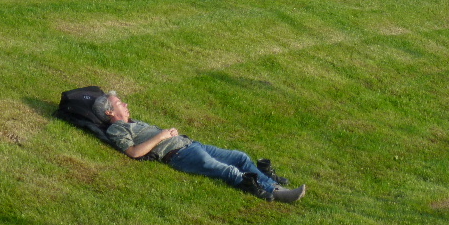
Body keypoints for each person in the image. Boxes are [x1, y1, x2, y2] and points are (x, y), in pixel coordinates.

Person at [92, 91, 305, 203]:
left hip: (191, 144)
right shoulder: (117, 129)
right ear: (110, 112)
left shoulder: (133, 123)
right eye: (120, 103)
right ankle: (275, 194)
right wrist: (162, 135)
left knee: (240, 157)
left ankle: (277, 187)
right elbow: (133, 152)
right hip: (179, 154)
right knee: (227, 170)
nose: (126, 104)